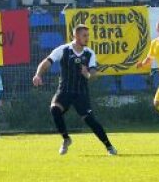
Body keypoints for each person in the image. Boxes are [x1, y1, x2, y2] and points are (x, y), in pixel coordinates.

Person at [32, 24, 116, 156]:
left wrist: (87, 74)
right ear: (75, 36)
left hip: (81, 93)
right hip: (64, 90)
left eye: (88, 35)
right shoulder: (63, 49)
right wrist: (38, 75)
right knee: (55, 109)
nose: (87, 38)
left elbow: (93, 75)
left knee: (90, 120)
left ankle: (109, 146)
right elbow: (46, 62)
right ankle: (66, 139)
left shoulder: (89, 53)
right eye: (84, 35)